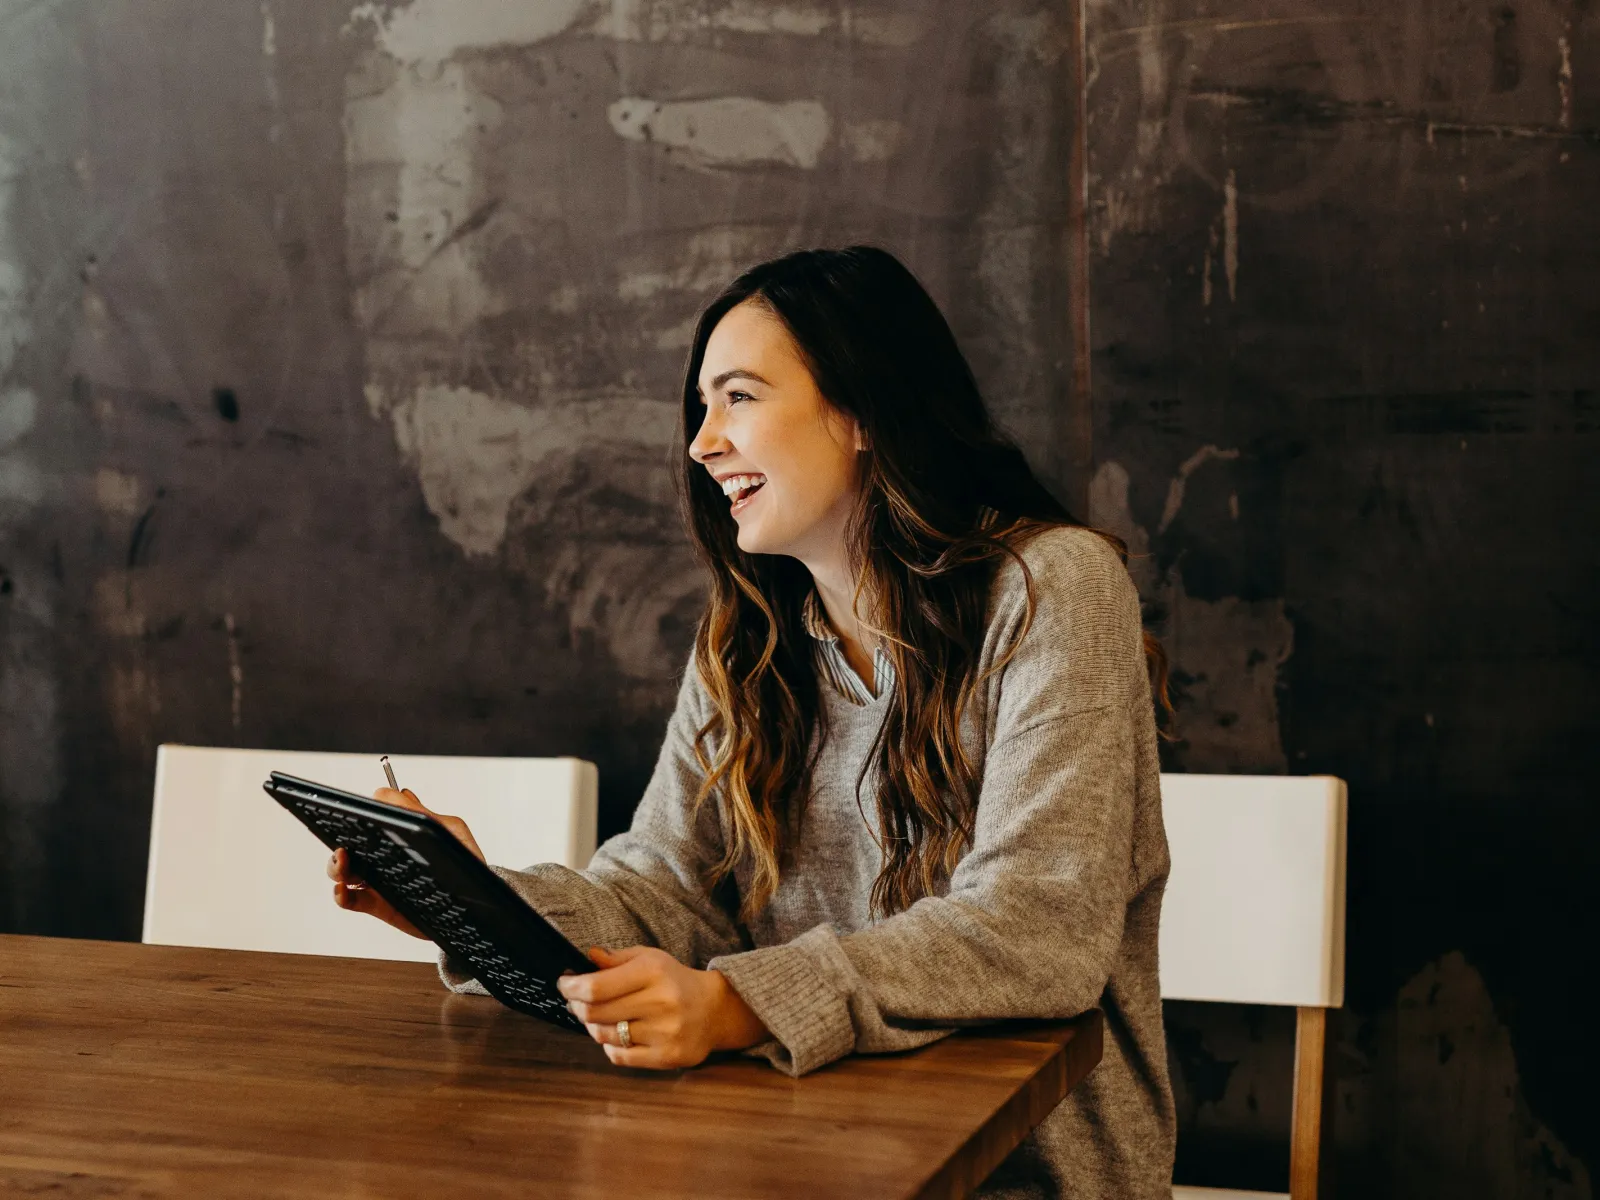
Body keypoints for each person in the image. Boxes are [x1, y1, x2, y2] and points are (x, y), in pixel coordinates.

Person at [329, 246, 1176, 1199]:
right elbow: (664, 894)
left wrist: (737, 1005)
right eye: (701, 407)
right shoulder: (748, 642)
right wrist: (475, 904)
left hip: (1018, 1174)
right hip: (790, 1150)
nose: (701, 442)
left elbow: (1036, 930)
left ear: (860, 411)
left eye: (737, 397)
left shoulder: (1052, 589)